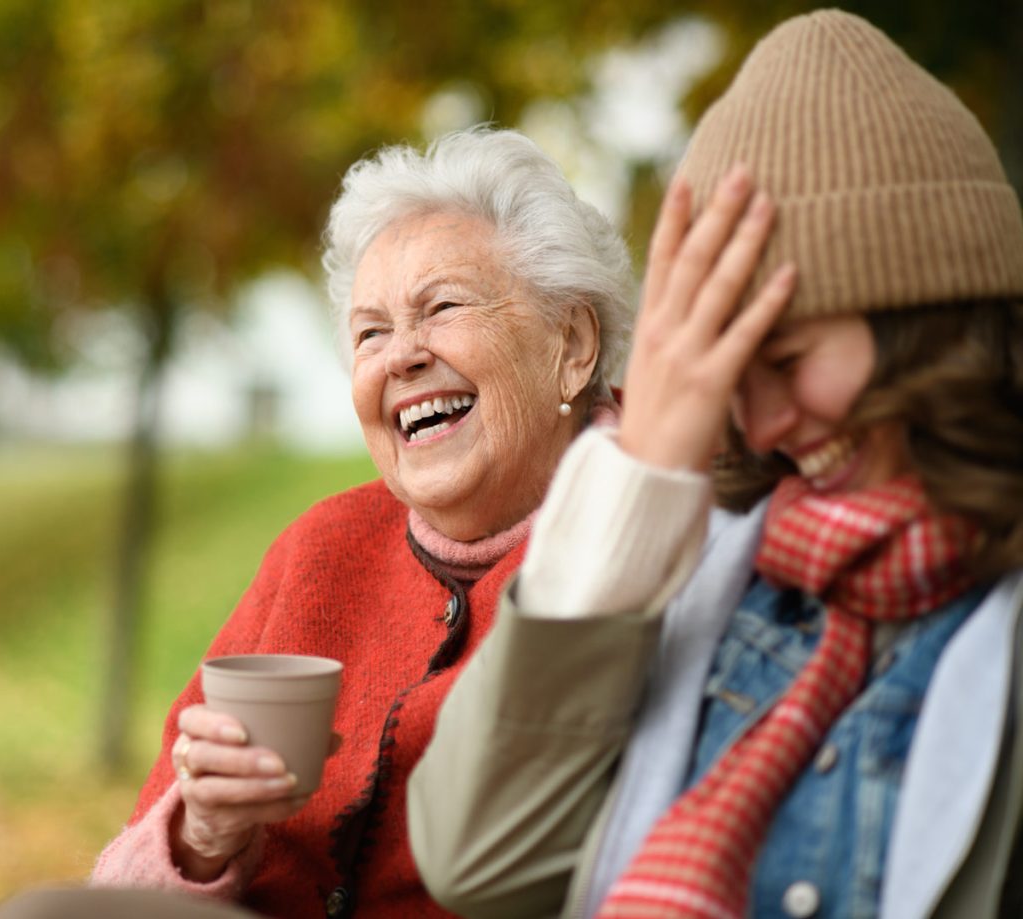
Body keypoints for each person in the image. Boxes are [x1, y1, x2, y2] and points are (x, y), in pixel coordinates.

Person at [407, 11, 1023, 919]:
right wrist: (636, 486)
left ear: (929, 330)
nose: (766, 424)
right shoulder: (714, 570)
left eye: (789, 359)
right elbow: (480, 864)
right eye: (731, 375)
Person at [87, 127, 635, 918]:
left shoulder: (661, 536)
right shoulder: (323, 548)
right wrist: (202, 834)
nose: (401, 356)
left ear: (573, 343)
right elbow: (132, 881)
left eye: (442, 306)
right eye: (370, 332)